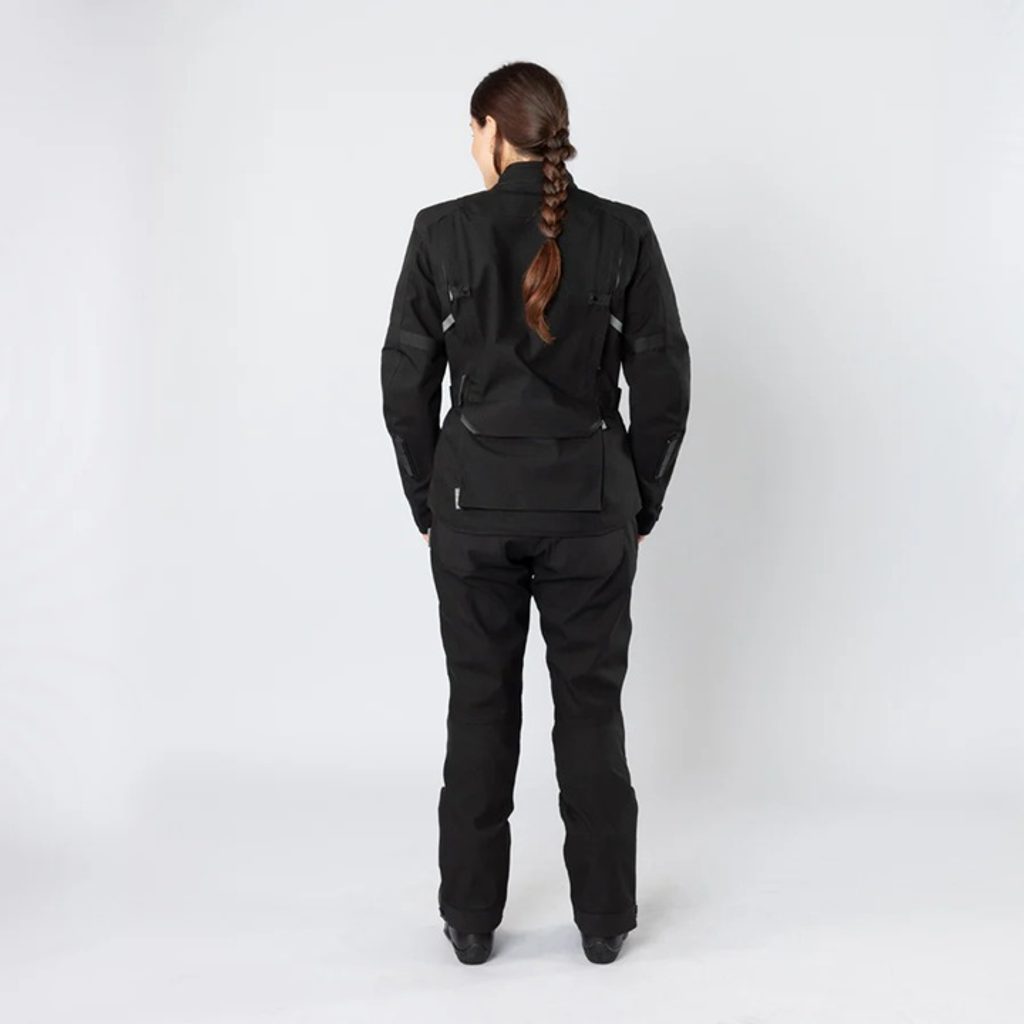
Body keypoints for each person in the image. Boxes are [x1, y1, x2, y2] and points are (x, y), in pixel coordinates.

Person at [380, 61, 690, 965]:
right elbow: (664, 382)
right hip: (591, 510)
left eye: (472, 133)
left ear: (491, 131)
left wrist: (426, 497)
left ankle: (471, 922)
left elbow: (405, 381)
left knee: (479, 707)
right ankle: (604, 922)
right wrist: (641, 499)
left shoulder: (442, 232)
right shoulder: (624, 233)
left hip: (471, 509)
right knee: (591, 712)